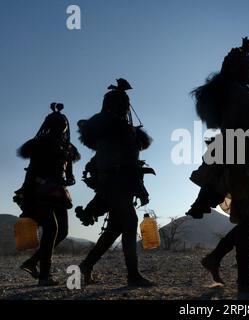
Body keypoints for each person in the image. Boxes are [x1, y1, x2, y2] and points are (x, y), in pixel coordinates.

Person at [186, 38, 249, 293]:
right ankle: (230, 269)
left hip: (243, 157)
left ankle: (234, 271)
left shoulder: (234, 90)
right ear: (237, 70)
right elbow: (240, 126)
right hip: (241, 160)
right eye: (247, 69)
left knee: (248, 219)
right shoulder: (236, 91)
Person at [76, 78, 154, 287]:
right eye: (125, 104)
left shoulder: (108, 131)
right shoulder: (120, 132)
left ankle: (87, 265)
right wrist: (141, 188)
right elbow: (128, 164)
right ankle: (133, 275)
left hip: (111, 185)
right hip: (118, 184)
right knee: (129, 223)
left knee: (114, 228)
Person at [14, 103, 80, 286]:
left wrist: (69, 178)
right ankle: (44, 276)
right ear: (52, 125)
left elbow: (68, 174)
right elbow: (32, 171)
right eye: (59, 124)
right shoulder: (40, 144)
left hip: (57, 193)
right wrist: (26, 193)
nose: (62, 127)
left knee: (63, 231)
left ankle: (32, 262)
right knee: (51, 228)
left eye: (64, 124)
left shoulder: (67, 147)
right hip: (39, 191)